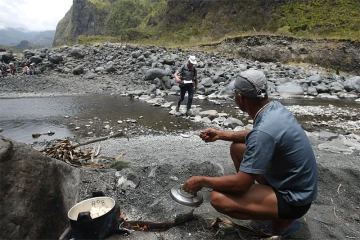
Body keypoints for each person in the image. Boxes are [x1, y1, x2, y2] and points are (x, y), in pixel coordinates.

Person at [182, 69, 318, 239]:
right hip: (295, 184)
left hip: (295, 199)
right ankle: (265, 202)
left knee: (218, 198)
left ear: (240, 98)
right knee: (237, 148)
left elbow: (241, 185)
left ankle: (281, 223)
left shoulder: (264, 131)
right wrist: (222, 134)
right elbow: (258, 135)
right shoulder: (274, 108)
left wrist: (201, 181)